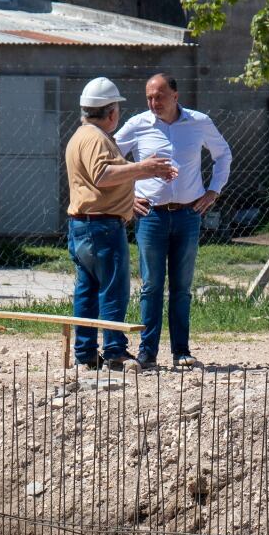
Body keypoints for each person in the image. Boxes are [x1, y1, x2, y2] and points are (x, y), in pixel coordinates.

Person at [113, 74, 231, 370]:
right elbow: (110, 158)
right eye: (150, 97)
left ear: (175, 96)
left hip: (188, 214)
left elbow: (223, 154)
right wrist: (127, 196)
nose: (154, 103)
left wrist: (214, 191)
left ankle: (181, 351)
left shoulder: (199, 122)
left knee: (182, 286)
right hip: (150, 215)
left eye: (160, 96)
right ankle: (147, 352)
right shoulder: (138, 124)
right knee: (152, 285)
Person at [65, 77, 177, 370]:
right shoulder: (96, 139)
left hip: (83, 225)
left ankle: (86, 353)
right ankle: (114, 352)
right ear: (111, 112)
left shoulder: (82, 136)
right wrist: (144, 168)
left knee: (88, 290)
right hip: (101, 227)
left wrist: (142, 170)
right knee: (113, 289)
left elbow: (105, 173)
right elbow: (102, 175)